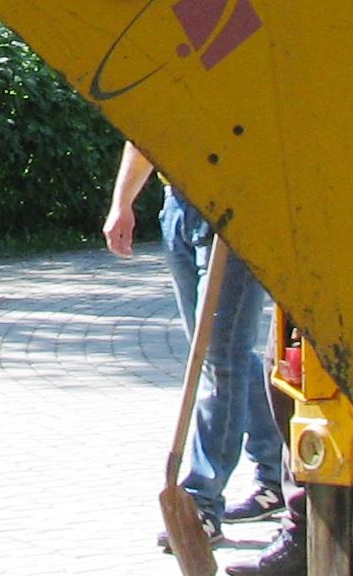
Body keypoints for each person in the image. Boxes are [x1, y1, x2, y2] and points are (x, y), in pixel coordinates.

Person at [105, 144, 284, 548]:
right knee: (224, 357)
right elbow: (146, 133)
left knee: (221, 361)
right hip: (179, 210)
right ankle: (274, 477)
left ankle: (202, 504)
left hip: (234, 208)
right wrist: (123, 202)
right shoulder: (165, 80)